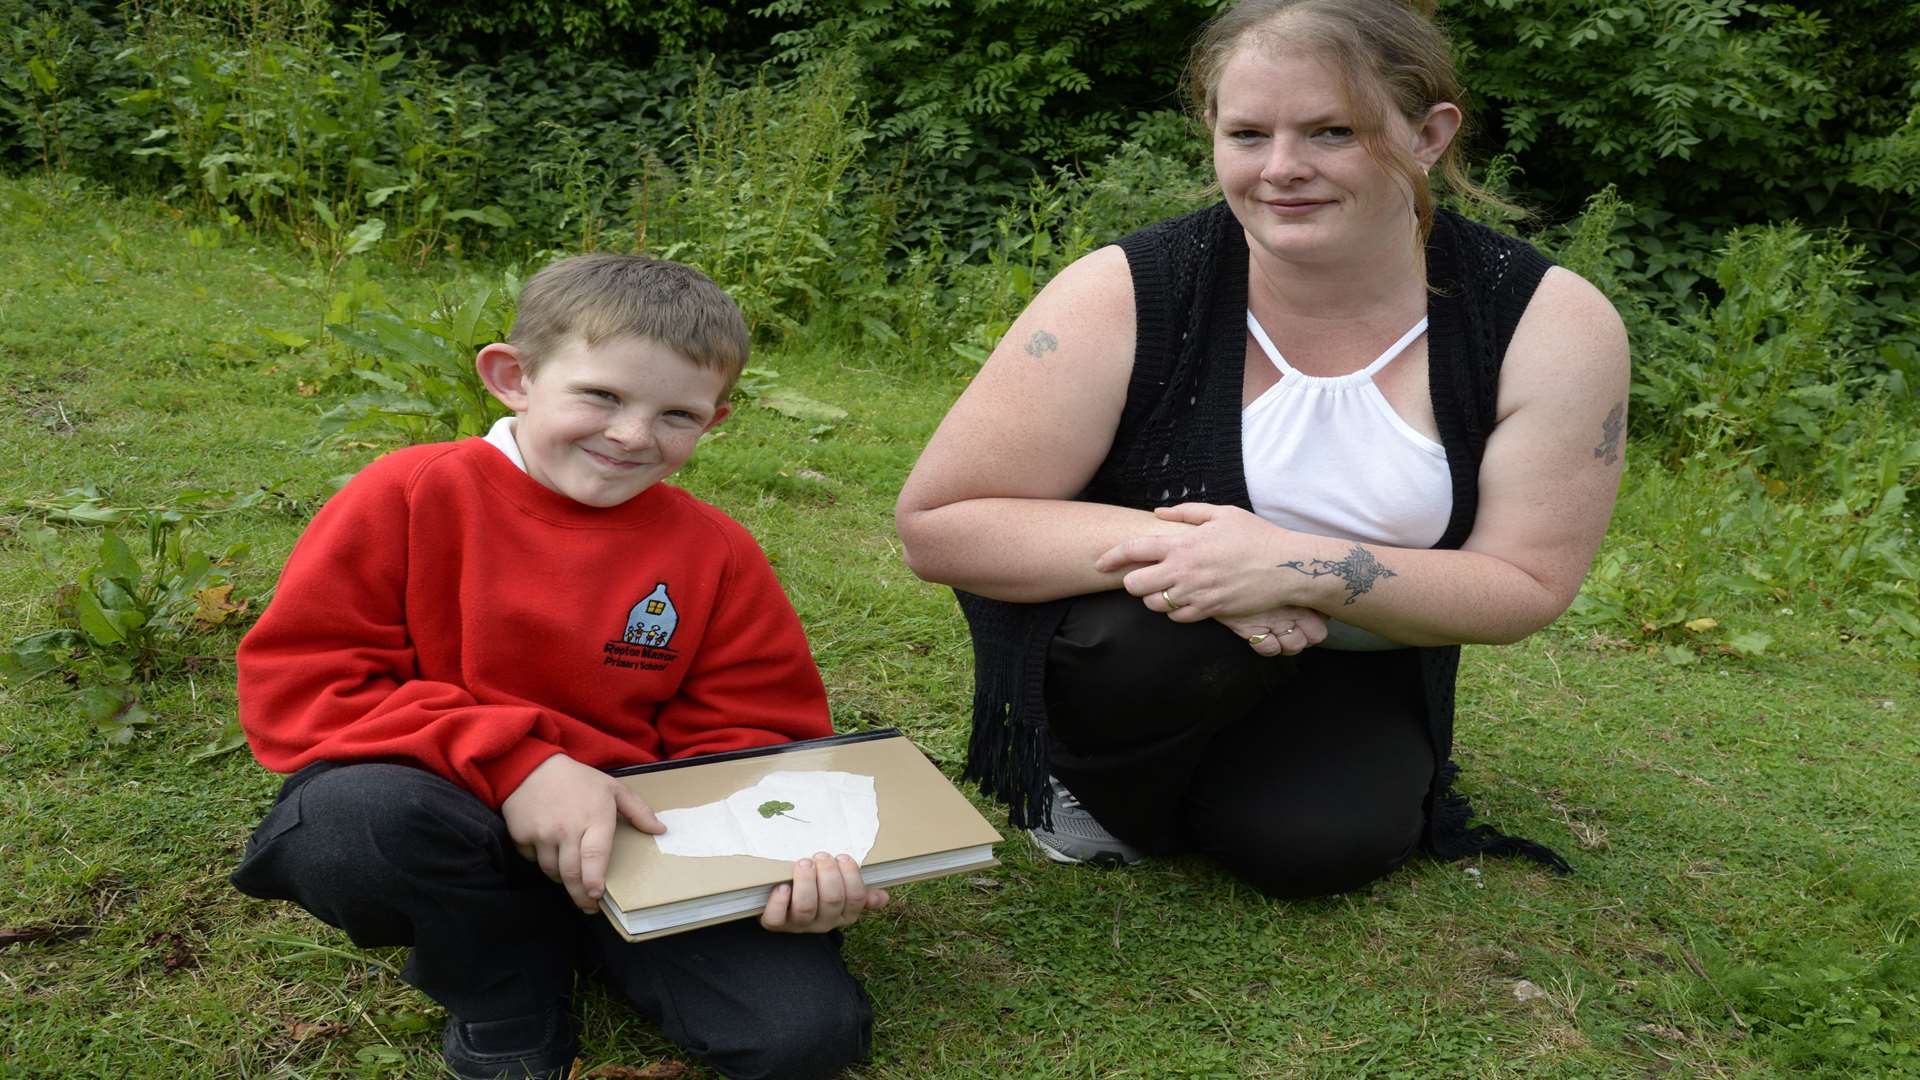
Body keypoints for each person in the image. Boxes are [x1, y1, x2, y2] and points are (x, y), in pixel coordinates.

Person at [895, 0, 1628, 898]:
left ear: (1430, 134)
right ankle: (1081, 779)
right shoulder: (1127, 291)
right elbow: (940, 524)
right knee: (1148, 653)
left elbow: (1524, 586)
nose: (1283, 170)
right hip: (1145, 635)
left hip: (1354, 651)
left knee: (1321, 849)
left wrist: (1293, 567)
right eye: (1247, 133)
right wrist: (1210, 563)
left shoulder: (1549, 324)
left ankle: (1232, 780)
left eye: (1332, 131)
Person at [230, 255, 885, 1080]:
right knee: (348, 829)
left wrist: (783, 869)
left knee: (804, 1037)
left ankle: (599, 928)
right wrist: (519, 766)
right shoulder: (408, 493)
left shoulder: (714, 550)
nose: (633, 435)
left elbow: (759, 734)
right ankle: (506, 987)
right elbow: (309, 682)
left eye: (676, 414)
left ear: (713, 422)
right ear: (514, 377)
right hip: (449, 806)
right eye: (602, 396)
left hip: (640, 846)